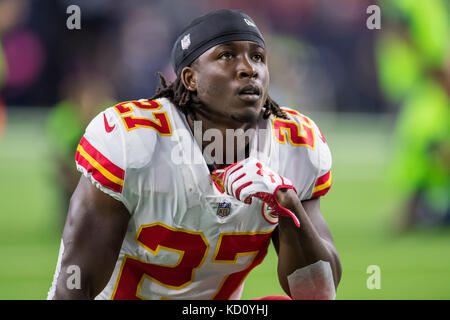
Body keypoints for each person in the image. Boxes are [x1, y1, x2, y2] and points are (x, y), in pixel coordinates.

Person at [47, 9, 341, 300]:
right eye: (226, 55)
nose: (249, 68)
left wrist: (287, 207)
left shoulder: (295, 144)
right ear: (190, 79)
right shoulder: (135, 142)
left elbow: (318, 293)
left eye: (257, 57)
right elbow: (73, 286)